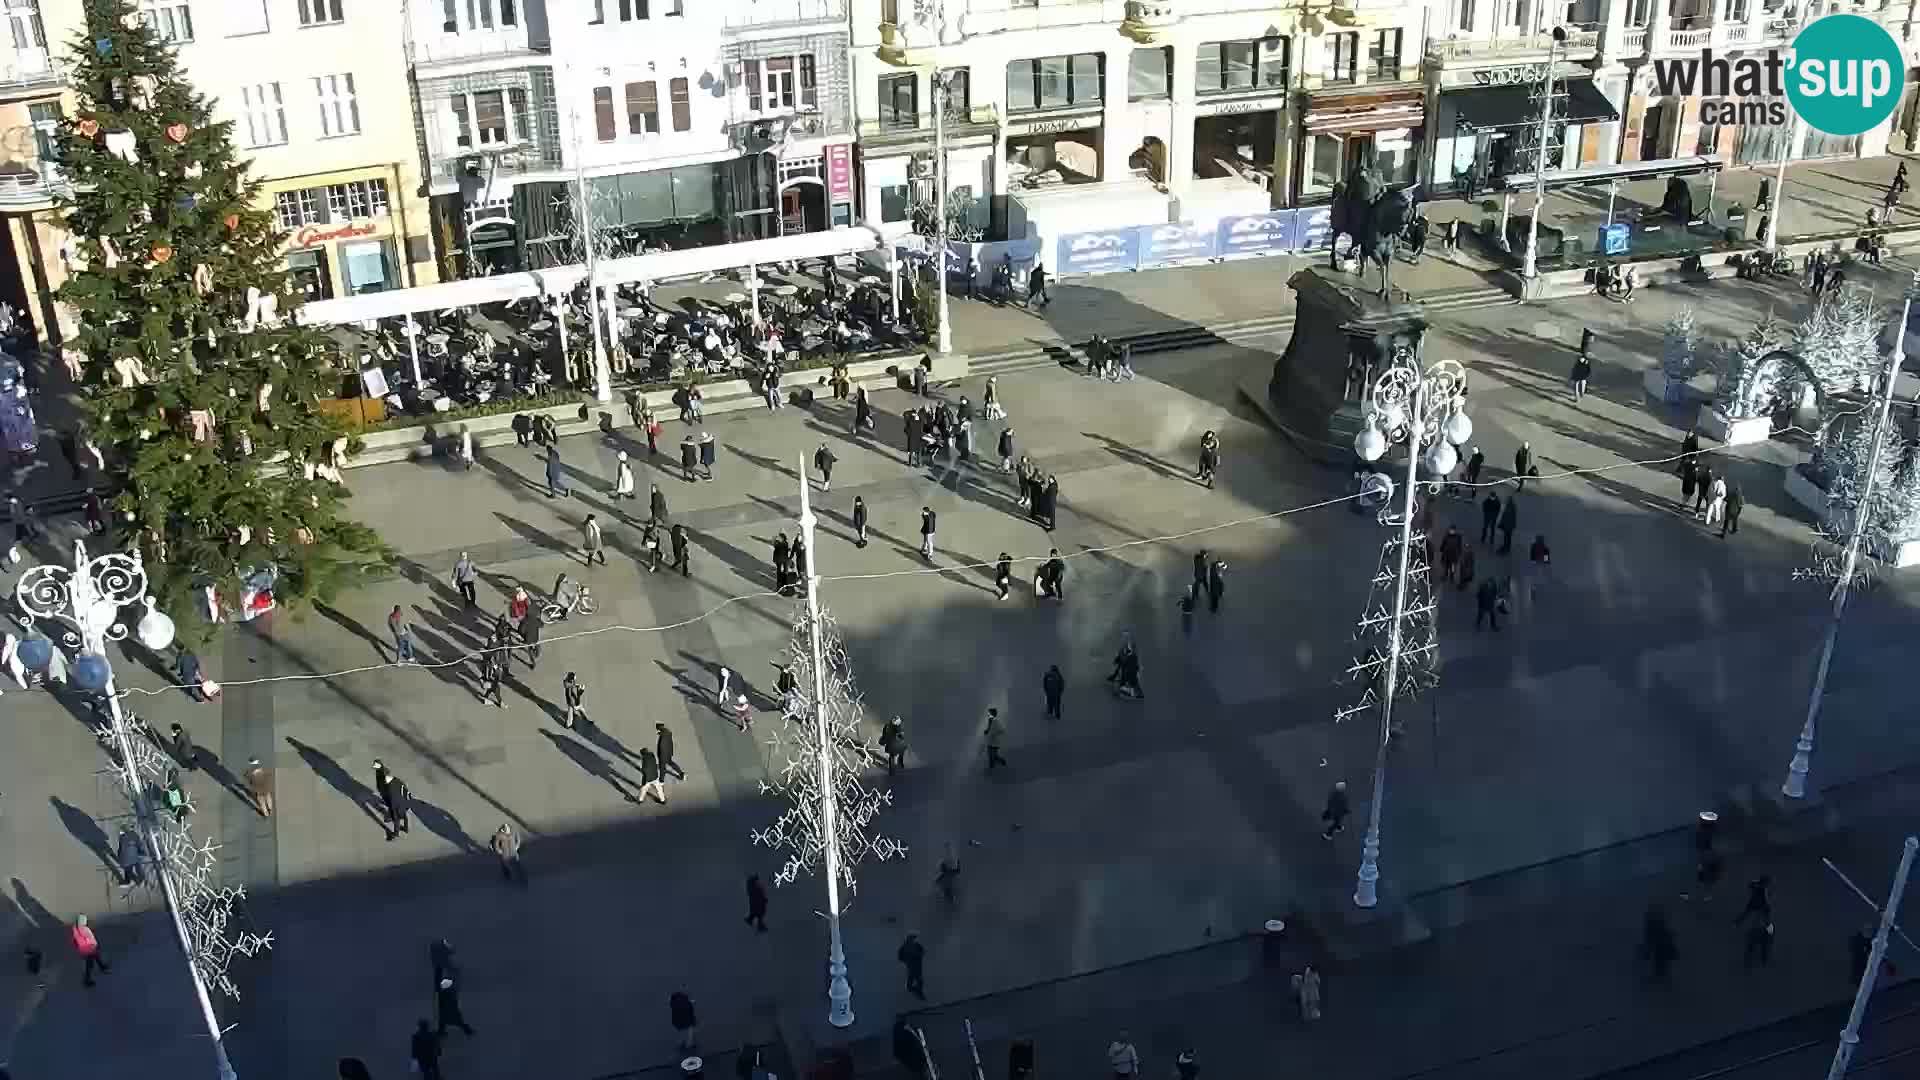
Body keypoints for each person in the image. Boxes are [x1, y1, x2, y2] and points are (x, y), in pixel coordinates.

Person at [1642, 905, 1677, 983]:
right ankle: (1660, 978)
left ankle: (1660, 978)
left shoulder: (1656, 926)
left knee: (1661, 965)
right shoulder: (1654, 926)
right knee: (1660, 965)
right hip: (1659, 949)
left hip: (1660, 949)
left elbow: (1668, 939)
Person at [72, 914, 108, 987]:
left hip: (82, 949)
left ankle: (102, 966)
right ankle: (87, 980)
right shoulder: (85, 929)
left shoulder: (75, 928)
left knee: (96, 956)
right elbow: (91, 938)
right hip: (89, 948)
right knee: (89, 964)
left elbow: (75, 940)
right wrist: (96, 945)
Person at [898, 933, 926, 998]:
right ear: (908, 939)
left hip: (917, 965)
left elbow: (922, 952)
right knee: (911, 978)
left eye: (914, 939)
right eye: (912, 939)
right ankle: (916, 991)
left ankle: (919, 992)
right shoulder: (904, 947)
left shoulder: (917, 945)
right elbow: (900, 957)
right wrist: (906, 960)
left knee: (919, 979)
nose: (913, 940)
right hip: (911, 965)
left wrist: (919, 955)